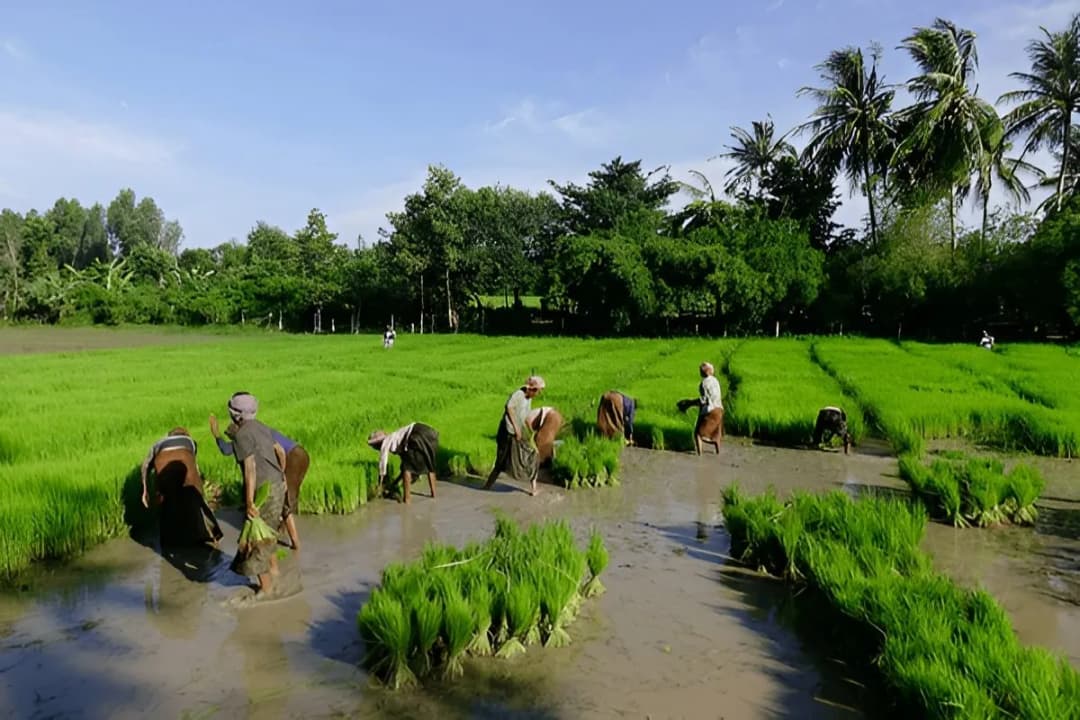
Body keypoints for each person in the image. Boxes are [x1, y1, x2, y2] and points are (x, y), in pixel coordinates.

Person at [210, 413, 309, 552]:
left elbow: (227, 450)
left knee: (285, 502)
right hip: (299, 452)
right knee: (287, 499)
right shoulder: (259, 428)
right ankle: (292, 539)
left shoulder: (244, 436)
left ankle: (285, 538)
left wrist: (216, 435)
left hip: (291, 456)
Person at [224, 392, 288, 599]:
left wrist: (250, 501)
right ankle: (275, 572)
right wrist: (282, 475)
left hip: (262, 491)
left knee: (256, 539)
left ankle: (266, 589)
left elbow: (249, 469)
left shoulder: (242, 435)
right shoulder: (262, 427)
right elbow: (281, 451)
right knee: (268, 533)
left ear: (235, 415)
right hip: (277, 485)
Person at [140, 427, 224, 549]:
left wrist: (145, 491)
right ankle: (209, 535)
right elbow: (194, 465)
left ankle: (168, 543)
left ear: (169, 435)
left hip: (161, 462)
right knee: (196, 500)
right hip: (185, 459)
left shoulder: (158, 444)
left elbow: (145, 466)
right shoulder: (190, 442)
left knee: (165, 504)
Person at [484, 376, 544, 496]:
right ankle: (487, 486)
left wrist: (531, 429)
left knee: (532, 453)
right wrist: (516, 428)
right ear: (532, 389)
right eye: (538, 391)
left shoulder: (528, 398)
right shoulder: (519, 394)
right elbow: (509, 408)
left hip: (518, 431)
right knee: (501, 461)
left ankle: (534, 488)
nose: (539, 393)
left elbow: (525, 415)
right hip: (507, 432)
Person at [366, 422, 440, 504]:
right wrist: (395, 482)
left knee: (407, 468)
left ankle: (407, 500)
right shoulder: (397, 437)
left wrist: (380, 483)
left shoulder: (385, 443)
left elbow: (383, 465)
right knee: (429, 464)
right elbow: (405, 462)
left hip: (417, 435)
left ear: (378, 444)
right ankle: (434, 494)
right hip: (431, 434)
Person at [676, 362, 724, 455]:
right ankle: (718, 452)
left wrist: (689, 403)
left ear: (703, 372)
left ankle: (699, 455)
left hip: (710, 410)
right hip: (719, 410)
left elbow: (704, 400)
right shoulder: (716, 381)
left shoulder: (704, 383)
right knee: (715, 433)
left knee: (698, 434)